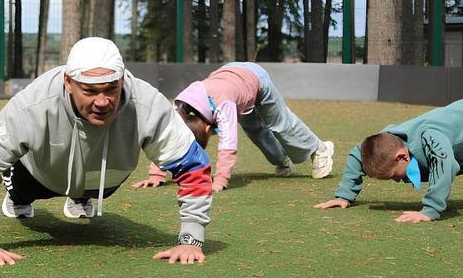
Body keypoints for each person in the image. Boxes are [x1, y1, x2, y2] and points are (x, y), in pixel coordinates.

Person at [0, 37, 213, 266]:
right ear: (68, 82)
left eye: (111, 89)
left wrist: (191, 239)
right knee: (23, 187)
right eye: (90, 91)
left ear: (122, 79)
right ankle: (19, 198)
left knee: (102, 178)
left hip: (103, 180)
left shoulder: (148, 104)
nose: (102, 101)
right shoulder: (32, 104)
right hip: (39, 174)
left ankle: (80, 197)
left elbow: (193, 166)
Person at [132, 62, 334, 193]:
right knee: (255, 131)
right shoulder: (179, 105)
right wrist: (156, 174)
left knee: (278, 123)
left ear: (207, 129)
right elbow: (166, 136)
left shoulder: (223, 105)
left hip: (254, 78)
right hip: (228, 78)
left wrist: (219, 180)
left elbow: (228, 144)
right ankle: (283, 161)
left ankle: (320, 150)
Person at [314, 94, 463, 222]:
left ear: (402, 157)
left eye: (394, 176)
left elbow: (445, 164)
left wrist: (431, 210)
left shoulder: (431, 138)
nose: (397, 181)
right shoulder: (388, 140)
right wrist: (344, 195)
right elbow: (358, 154)